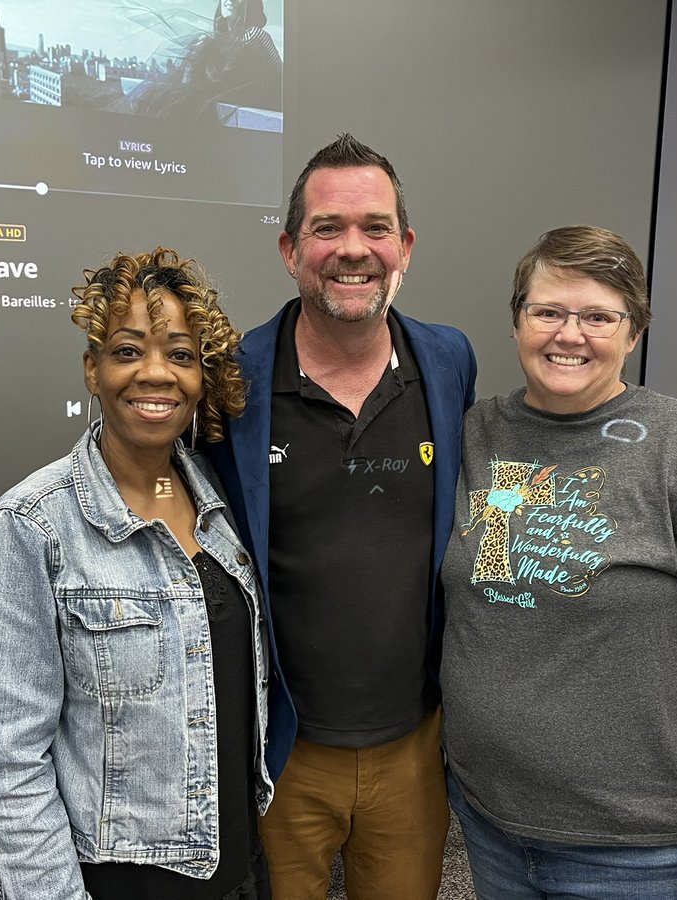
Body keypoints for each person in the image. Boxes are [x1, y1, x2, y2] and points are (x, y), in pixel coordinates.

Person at [440, 225, 677, 900]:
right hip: (490, 822)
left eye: (598, 317)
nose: (568, 334)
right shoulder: (475, 433)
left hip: (637, 848)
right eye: (548, 311)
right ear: (517, 320)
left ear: (633, 332)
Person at [202, 134, 478, 900]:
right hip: (283, 746)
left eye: (375, 228)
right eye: (328, 228)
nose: (353, 250)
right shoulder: (232, 383)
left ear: (405, 247)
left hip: (414, 745)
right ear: (291, 248)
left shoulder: (448, 361)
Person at [0, 248, 274, 900]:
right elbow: (8, 762)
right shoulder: (30, 525)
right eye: (129, 351)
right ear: (92, 370)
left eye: (181, 355)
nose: (156, 373)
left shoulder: (219, 503)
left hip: (236, 871)